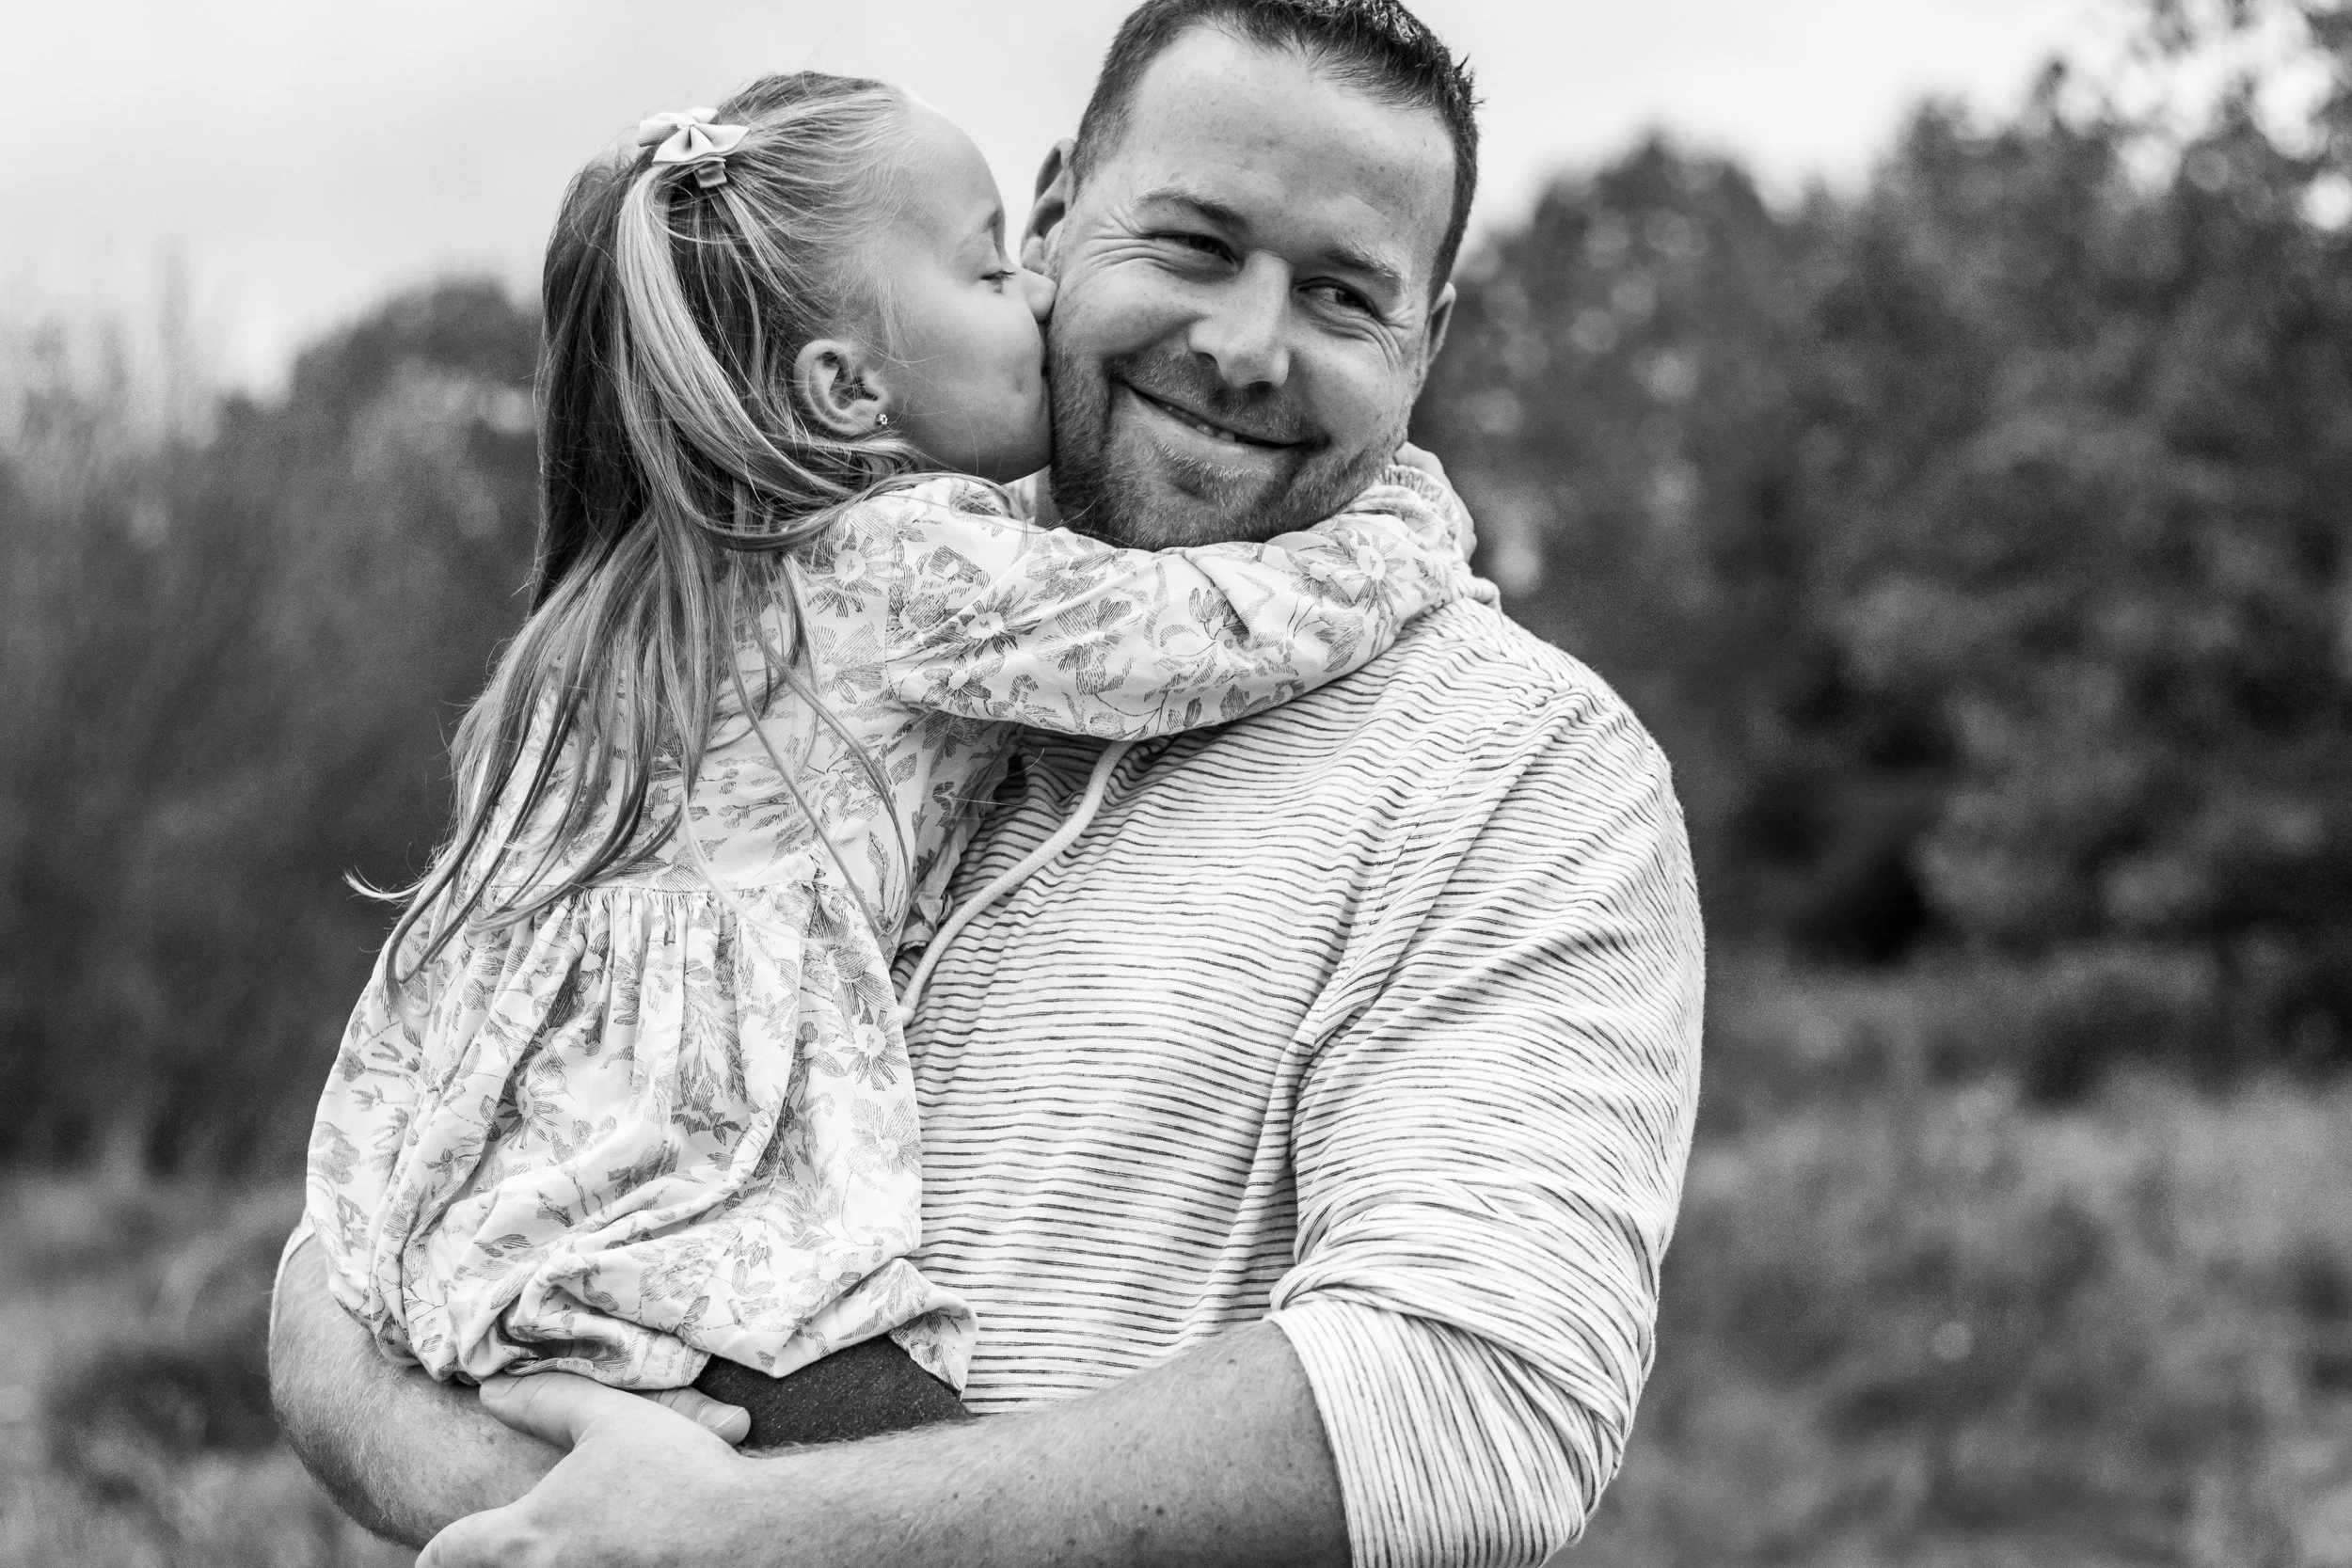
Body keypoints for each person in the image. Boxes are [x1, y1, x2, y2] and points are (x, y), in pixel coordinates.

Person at [269, 3, 1707, 1564]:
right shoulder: (766, 623)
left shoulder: (1528, 771)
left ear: (1425, 341)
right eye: (1196, 243)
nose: (1244, 341)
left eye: (1345, 294)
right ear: (1049, 221)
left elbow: (1465, 1411)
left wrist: (749, 1535)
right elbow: (346, 1270)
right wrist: (588, 1516)